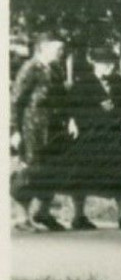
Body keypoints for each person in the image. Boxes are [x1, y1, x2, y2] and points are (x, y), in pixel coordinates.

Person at [61, 48, 121, 230]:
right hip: (89, 134)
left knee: (120, 174)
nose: (109, 68)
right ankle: (79, 216)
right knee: (81, 176)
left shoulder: (117, 83)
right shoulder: (84, 83)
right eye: (105, 64)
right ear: (94, 64)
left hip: (112, 135)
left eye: (112, 64)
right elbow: (71, 106)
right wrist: (72, 122)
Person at [10, 39, 70, 231]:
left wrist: (69, 119)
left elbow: (63, 98)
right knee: (31, 170)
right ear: (43, 49)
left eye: (62, 49)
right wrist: (14, 131)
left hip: (53, 127)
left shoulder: (56, 70)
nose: (61, 52)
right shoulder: (31, 67)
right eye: (57, 49)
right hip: (32, 127)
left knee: (52, 170)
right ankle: (22, 218)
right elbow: (16, 100)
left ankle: (43, 212)